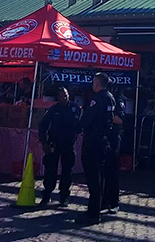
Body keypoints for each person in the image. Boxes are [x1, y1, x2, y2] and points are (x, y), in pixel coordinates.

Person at [76, 72, 115, 226]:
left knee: (93, 177)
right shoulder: (110, 97)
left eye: (94, 82)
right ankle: (96, 208)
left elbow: (86, 120)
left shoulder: (97, 99)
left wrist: (77, 127)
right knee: (100, 175)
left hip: (93, 140)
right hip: (104, 140)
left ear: (97, 83)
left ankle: (93, 213)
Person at [37, 86, 81, 207]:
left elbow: (80, 124)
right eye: (61, 96)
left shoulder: (75, 108)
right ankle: (46, 196)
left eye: (65, 95)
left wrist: (76, 133)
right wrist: (44, 141)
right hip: (54, 144)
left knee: (67, 171)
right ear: (57, 98)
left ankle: (64, 197)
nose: (64, 98)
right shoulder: (53, 109)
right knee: (50, 170)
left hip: (68, 145)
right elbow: (43, 125)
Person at [103, 91, 126, 215]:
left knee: (112, 172)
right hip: (101, 140)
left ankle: (114, 202)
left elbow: (120, 119)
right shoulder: (100, 99)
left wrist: (105, 116)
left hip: (113, 140)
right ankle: (103, 200)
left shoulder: (118, 100)